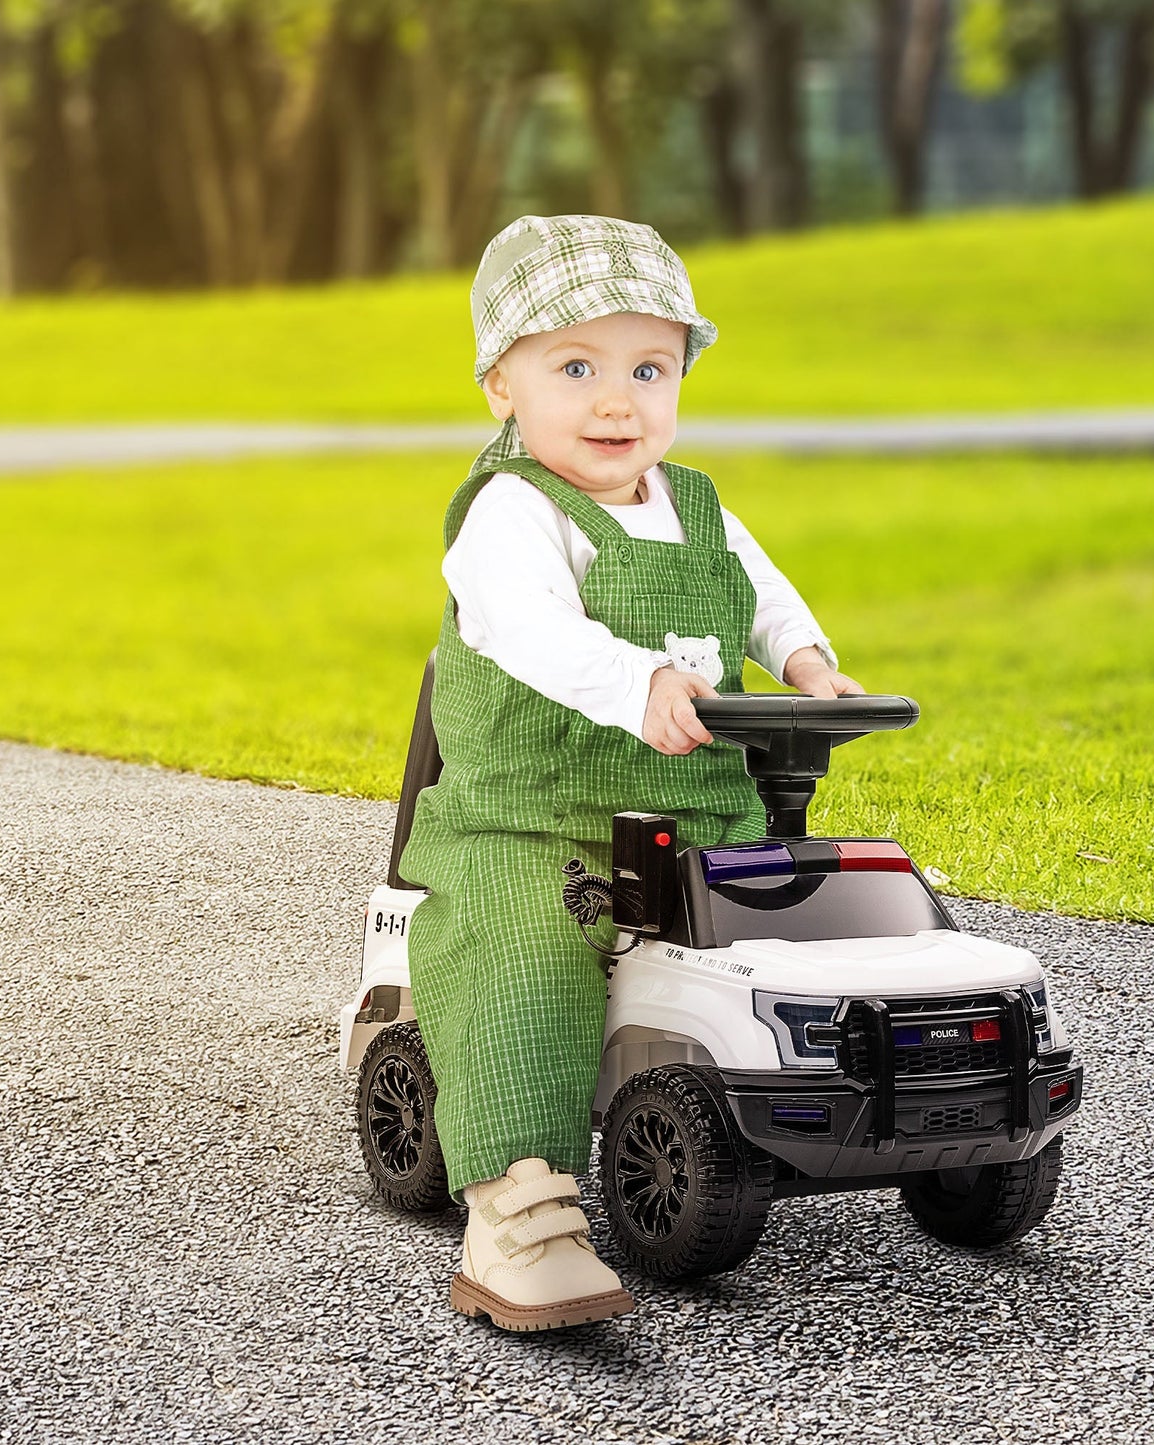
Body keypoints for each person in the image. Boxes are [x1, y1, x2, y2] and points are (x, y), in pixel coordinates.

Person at [398, 214, 860, 1332]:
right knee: (529, 950)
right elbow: (526, 628)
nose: (618, 401)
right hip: (533, 819)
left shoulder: (692, 502)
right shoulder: (511, 513)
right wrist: (636, 681)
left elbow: (760, 591)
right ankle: (518, 1207)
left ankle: (852, 1105)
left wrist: (806, 663)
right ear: (499, 384)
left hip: (697, 812)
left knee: (818, 914)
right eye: (576, 367)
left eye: (649, 369)